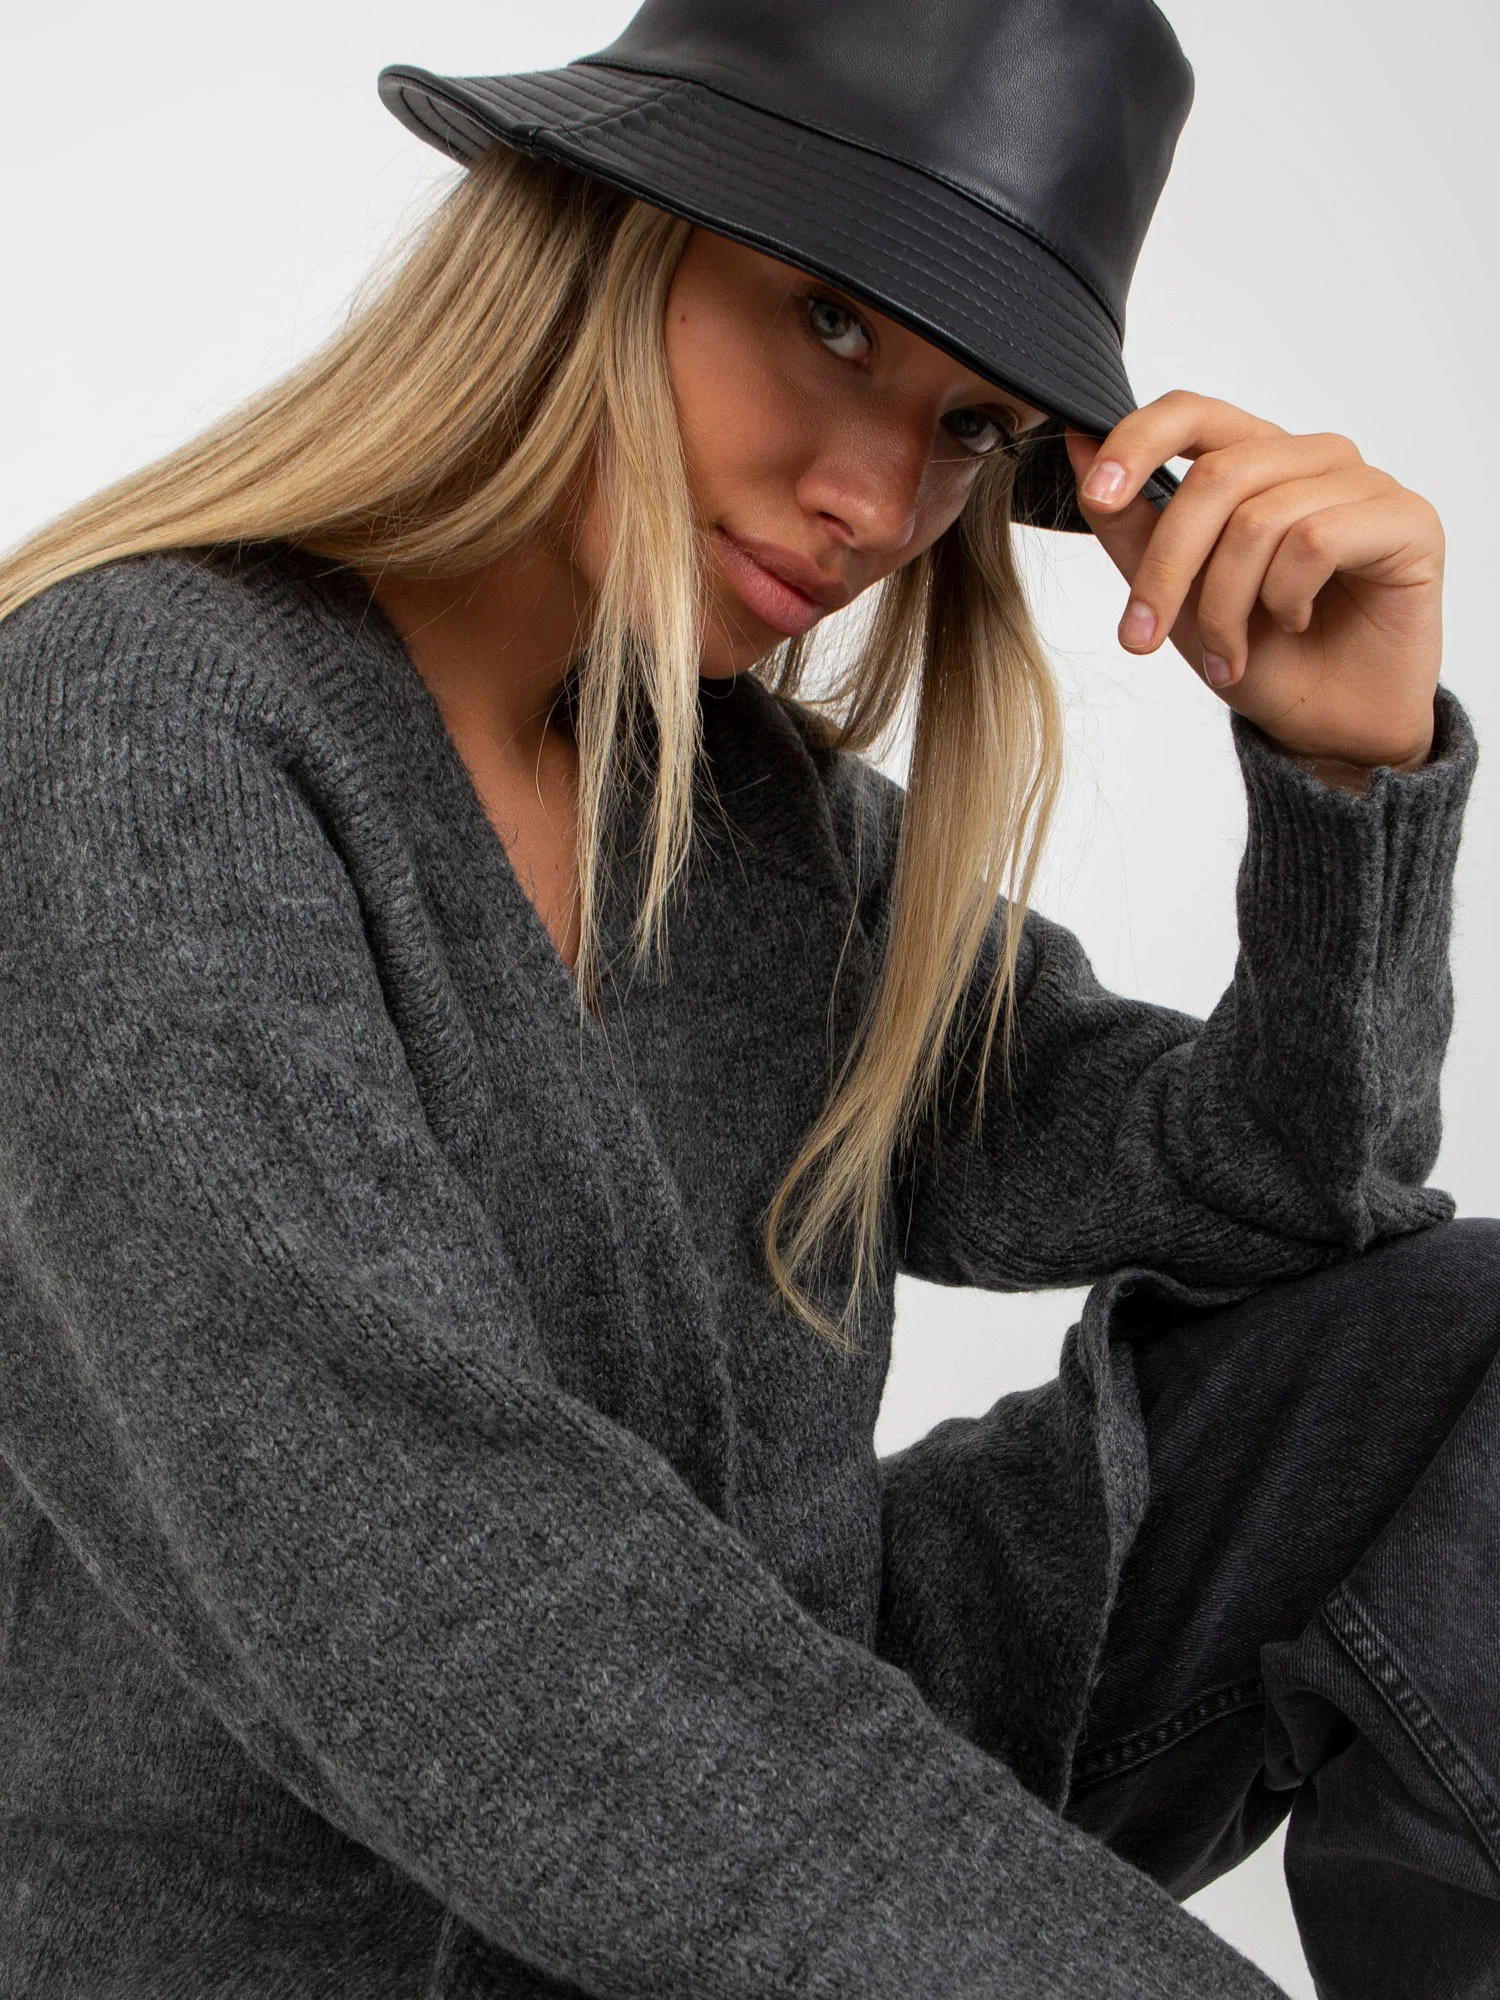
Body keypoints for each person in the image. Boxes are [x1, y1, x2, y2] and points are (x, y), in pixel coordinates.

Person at [0, 1, 1494, 1995]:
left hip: (756, 1796)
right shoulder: (135, 724)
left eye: (970, 427)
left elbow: (1301, 1198)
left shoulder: (758, 824)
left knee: (1463, 1339)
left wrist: (1349, 776)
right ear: (601, 235)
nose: (877, 501)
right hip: (342, 1933)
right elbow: (446, 1605)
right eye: (835, 323)